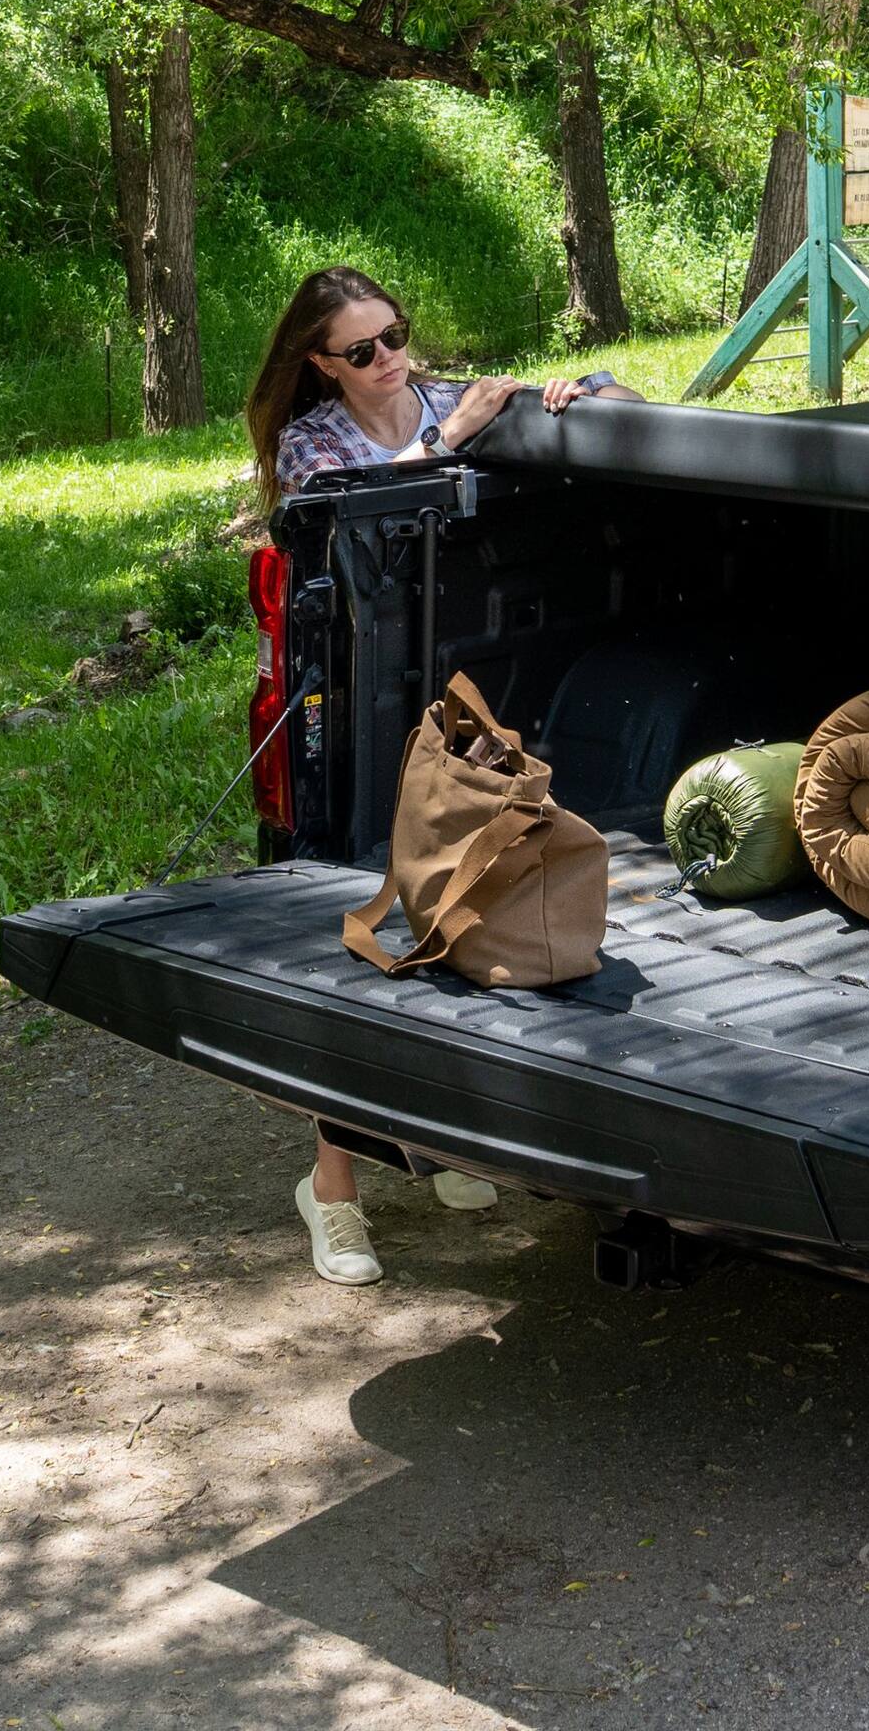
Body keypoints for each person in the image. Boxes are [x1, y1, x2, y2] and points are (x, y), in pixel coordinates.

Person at [239, 264, 643, 1283]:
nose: (393, 360)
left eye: (396, 335)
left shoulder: (432, 396)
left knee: (459, 914)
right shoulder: (314, 440)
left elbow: (622, 396)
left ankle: (440, 1140)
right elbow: (349, 513)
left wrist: (575, 398)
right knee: (365, 943)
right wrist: (453, 438)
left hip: (439, 698)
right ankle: (331, 1188)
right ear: (321, 366)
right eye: (364, 350)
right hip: (346, 706)